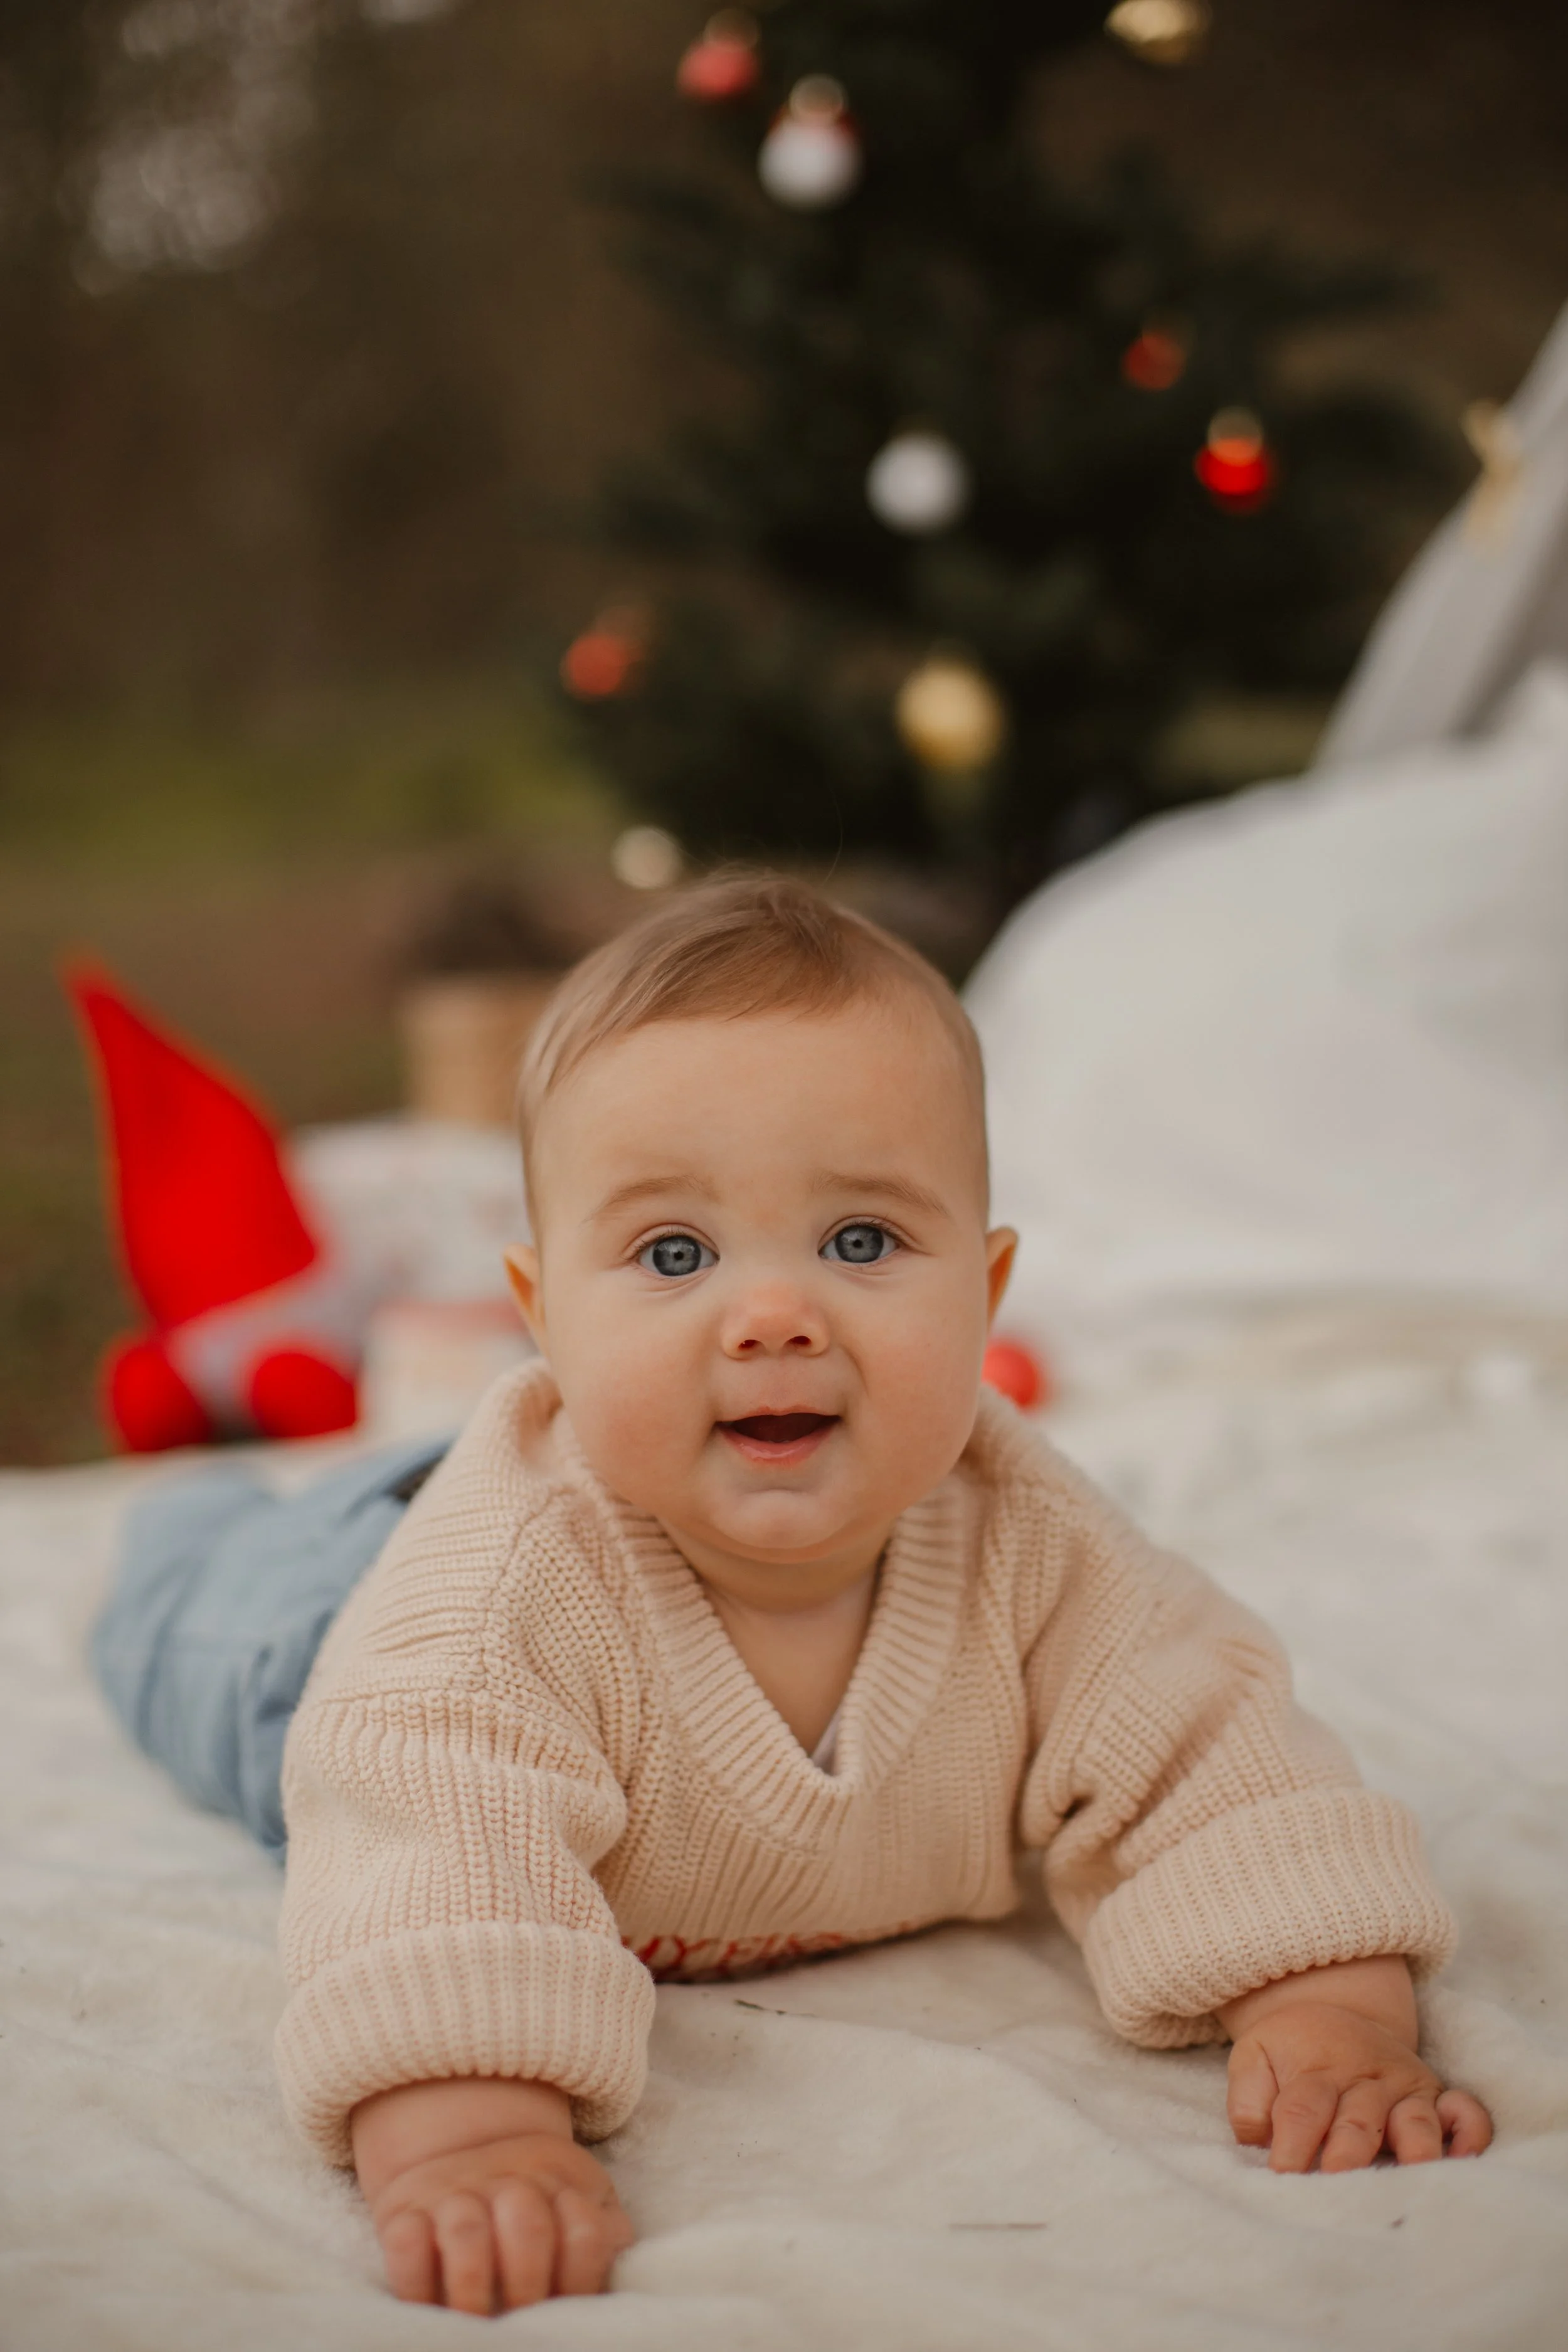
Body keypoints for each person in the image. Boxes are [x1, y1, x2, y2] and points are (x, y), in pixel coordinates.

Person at [93, 874, 1491, 2319]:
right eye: (674, 1255)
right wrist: (473, 2130)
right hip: (320, 1637)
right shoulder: (486, 1616)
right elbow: (428, 1852)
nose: (772, 1316)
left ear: (988, 1290)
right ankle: (197, 1525)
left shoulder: (1029, 1541)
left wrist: (1323, 2008)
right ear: (542, 1313)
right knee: (199, 1612)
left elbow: (1218, 1765)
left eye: (862, 1243)